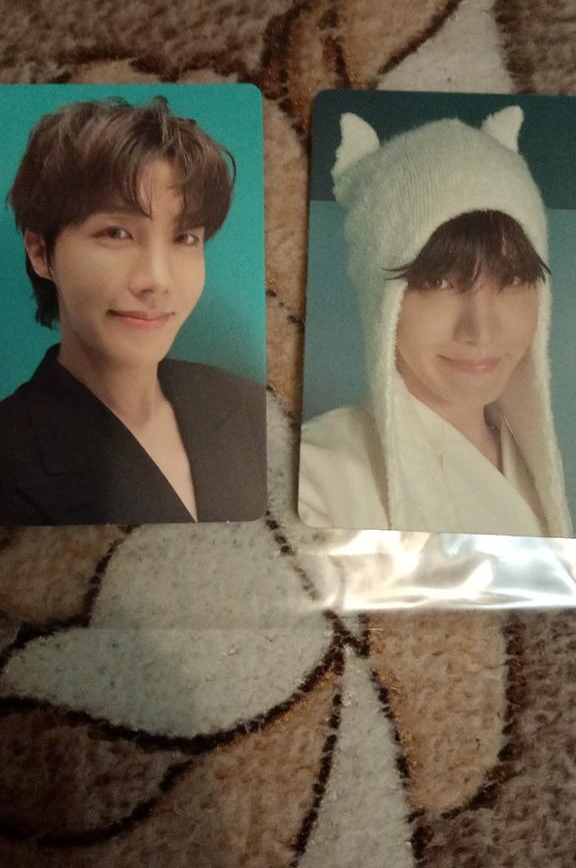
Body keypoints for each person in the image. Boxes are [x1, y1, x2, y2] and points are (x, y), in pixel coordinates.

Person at [299, 105, 572, 537]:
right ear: (380, 301)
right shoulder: (313, 476)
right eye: (438, 281)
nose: (481, 330)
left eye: (513, 278)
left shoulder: (528, 461)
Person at [0, 96, 266, 525]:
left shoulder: (250, 407)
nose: (157, 280)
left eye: (185, 237)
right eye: (116, 232)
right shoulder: (11, 458)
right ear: (41, 253)